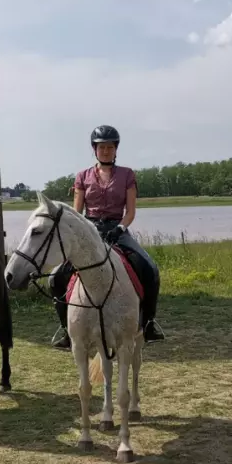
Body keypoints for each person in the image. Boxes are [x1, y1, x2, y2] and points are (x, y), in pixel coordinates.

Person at [48, 124, 164, 349]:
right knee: (55, 277)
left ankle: (149, 323)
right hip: (89, 231)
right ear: (95, 149)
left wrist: (120, 228)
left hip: (116, 229)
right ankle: (65, 328)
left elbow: (130, 212)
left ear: (116, 149)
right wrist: (83, 233)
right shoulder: (83, 176)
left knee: (150, 268)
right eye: (102, 147)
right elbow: (76, 212)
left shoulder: (127, 175)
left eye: (110, 147)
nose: (106, 151)